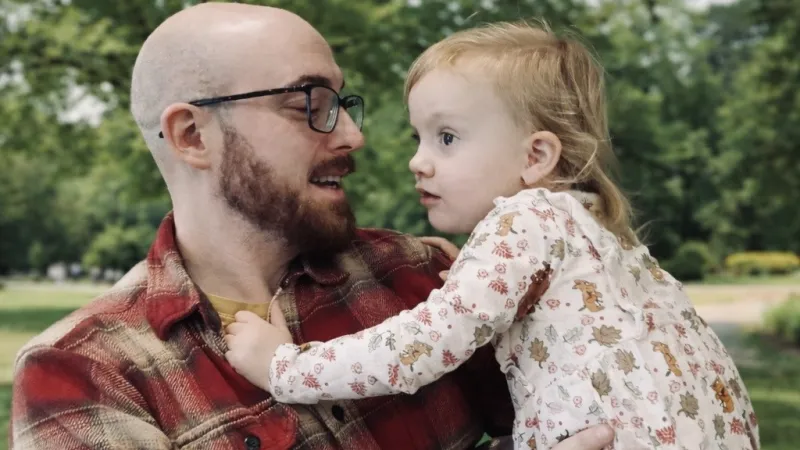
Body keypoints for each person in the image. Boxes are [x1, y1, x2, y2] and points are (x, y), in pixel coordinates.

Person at [9, 4, 614, 450]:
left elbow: (577, 422)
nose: (352, 135)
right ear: (192, 135)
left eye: (342, 104)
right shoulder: (84, 371)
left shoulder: (423, 276)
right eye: (310, 103)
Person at [223, 21, 761, 450]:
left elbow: (421, 346)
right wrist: (471, 269)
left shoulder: (525, 219)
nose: (418, 161)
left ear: (536, 156)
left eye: (447, 137)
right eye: (420, 137)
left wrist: (285, 367)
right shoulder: (596, 231)